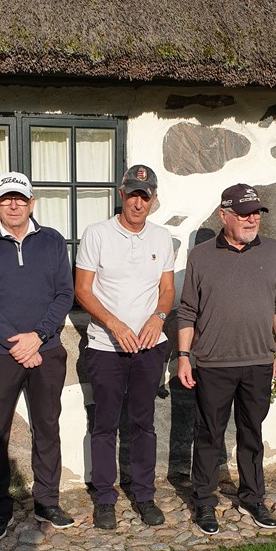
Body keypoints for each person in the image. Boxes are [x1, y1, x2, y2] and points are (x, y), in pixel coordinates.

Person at [0, 172, 75, 542]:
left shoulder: (53, 240)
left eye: (20, 198)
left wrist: (37, 336)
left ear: (32, 203)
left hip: (46, 351)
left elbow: (64, 294)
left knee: (47, 428)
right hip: (0, 354)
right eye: (6, 199)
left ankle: (47, 502)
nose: (13, 205)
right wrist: (17, 343)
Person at [176, 183, 276, 534]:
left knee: (252, 432)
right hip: (213, 363)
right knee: (208, 435)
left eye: (255, 213)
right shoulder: (201, 257)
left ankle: (253, 497)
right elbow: (187, 311)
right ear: (224, 215)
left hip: (258, 361)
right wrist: (183, 356)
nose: (251, 219)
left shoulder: (273, 251)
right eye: (243, 214)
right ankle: (204, 501)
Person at [75, 164, 175, 530]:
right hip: (105, 347)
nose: (138, 202)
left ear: (153, 200)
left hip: (149, 347)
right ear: (121, 194)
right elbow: (82, 289)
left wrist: (158, 318)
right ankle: (105, 499)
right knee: (104, 424)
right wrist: (114, 324)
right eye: (132, 194)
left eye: (144, 197)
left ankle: (144, 495)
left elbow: (167, 289)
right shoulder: (97, 234)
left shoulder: (162, 238)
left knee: (143, 424)